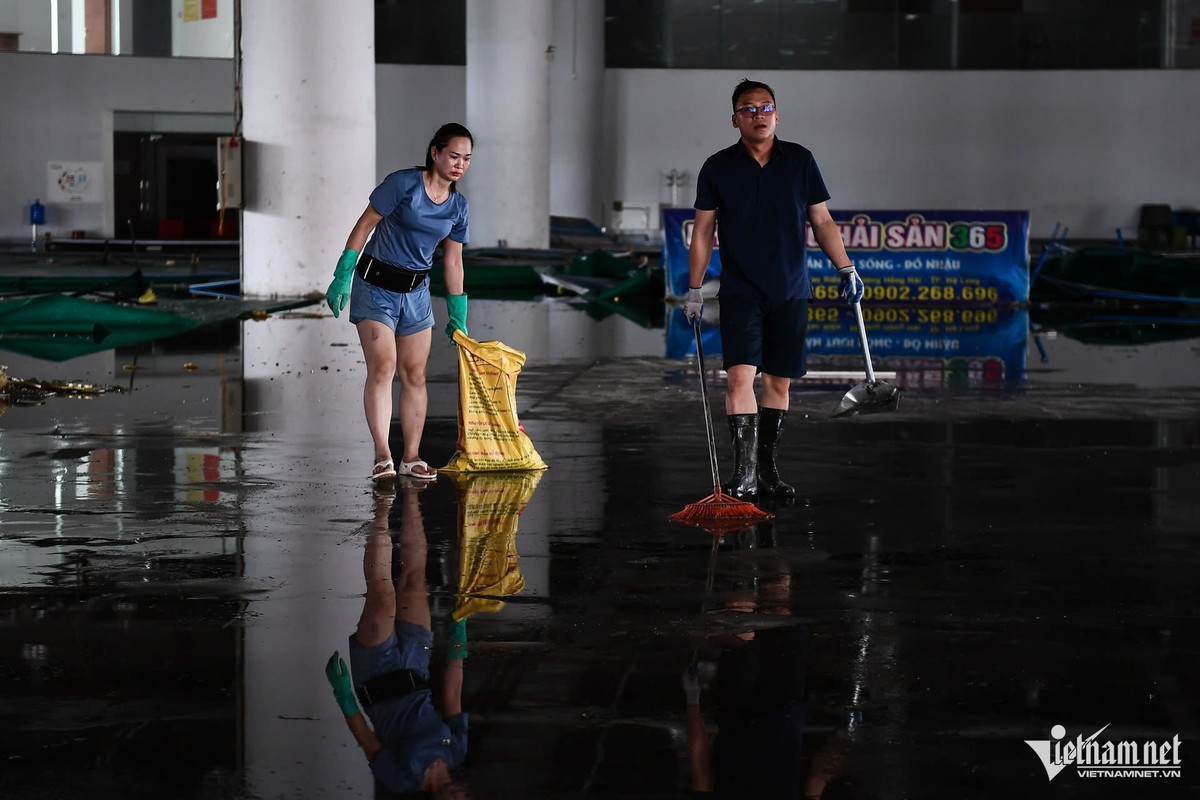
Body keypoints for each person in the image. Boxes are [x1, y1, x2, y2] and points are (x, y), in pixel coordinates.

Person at [684, 80, 865, 501]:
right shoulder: (718, 167)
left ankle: (766, 472)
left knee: (779, 384)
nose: (758, 114)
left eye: (766, 107)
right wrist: (694, 289)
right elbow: (703, 231)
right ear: (735, 119)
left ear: (777, 115)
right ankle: (744, 476)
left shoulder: (800, 161)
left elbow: (822, 221)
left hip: (790, 289)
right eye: (748, 109)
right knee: (739, 378)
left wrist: (846, 267)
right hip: (740, 290)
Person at [326, 123, 474, 485]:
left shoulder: (458, 207)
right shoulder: (402, 184)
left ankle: (411, 457)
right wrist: (343, 273)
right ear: (435, 152)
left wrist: (457, 314)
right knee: (383, 367)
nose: (460, 164)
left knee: (415, 374)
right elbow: (365, 225)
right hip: (376, 285)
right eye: (454, 156)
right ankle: (382, 455)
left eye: (467, 159)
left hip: (417, 292)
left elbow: (453, 261)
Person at [324, 483, 471, 798]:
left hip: (378, 675)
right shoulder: (456, 751)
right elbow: (452, 694)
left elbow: (367, 740)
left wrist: (344, 696)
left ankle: (382, 504)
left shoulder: (402, 781)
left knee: (383, 594)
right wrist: (458, 645)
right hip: (416, 664)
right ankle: (411, 492)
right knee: (416, 580)